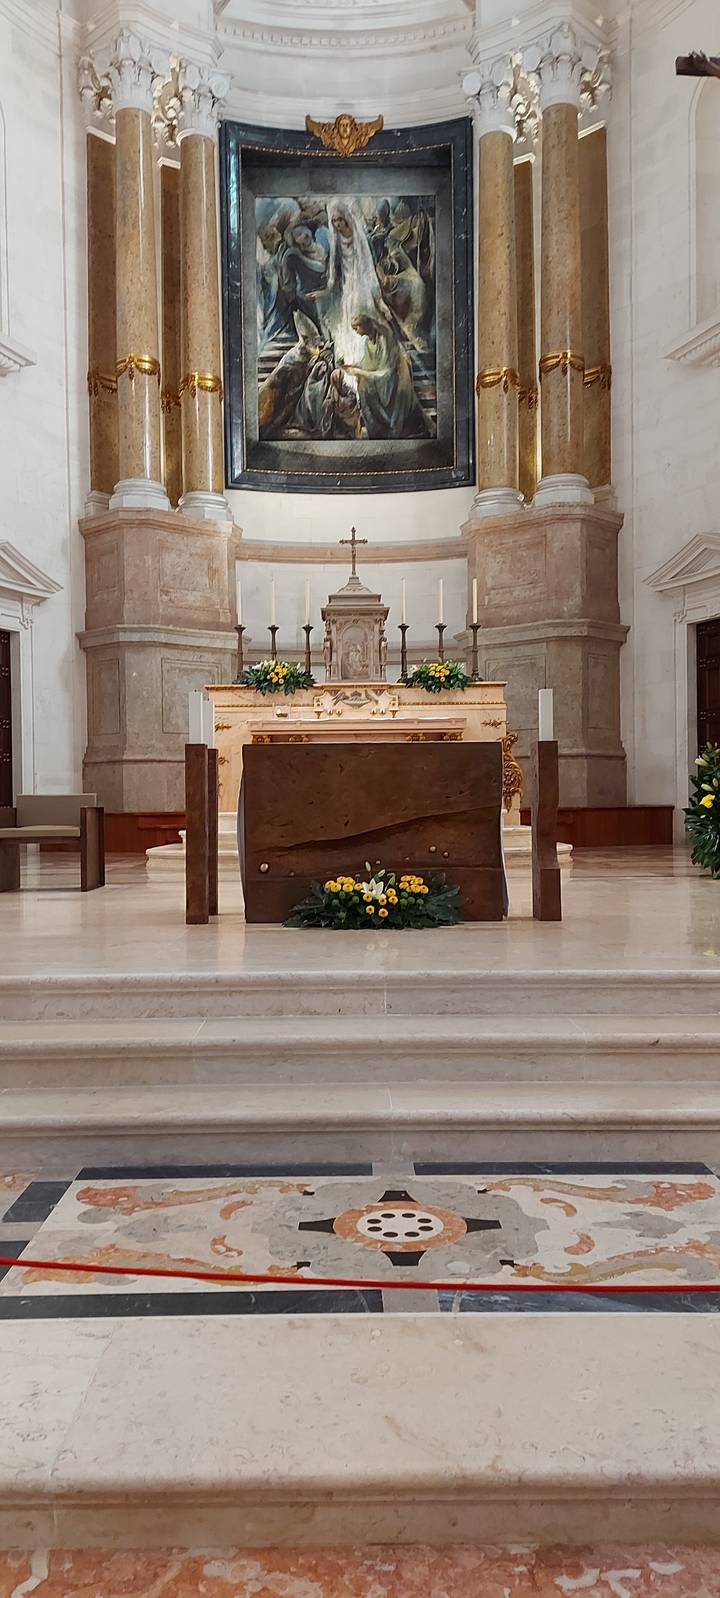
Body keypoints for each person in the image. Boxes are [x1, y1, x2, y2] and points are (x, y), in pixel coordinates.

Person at [336, 312, 428, 439]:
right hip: (380, 376)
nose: (356, 332)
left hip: (393, 377)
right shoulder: (367, 342)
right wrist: (350, 366)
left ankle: (390, 426)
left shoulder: (383, 338)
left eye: (356, 328)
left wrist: (360, 372)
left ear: (365, 325)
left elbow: (386, 370)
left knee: (364, 382)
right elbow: (367, 363)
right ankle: (376, 429)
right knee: (362, 386)